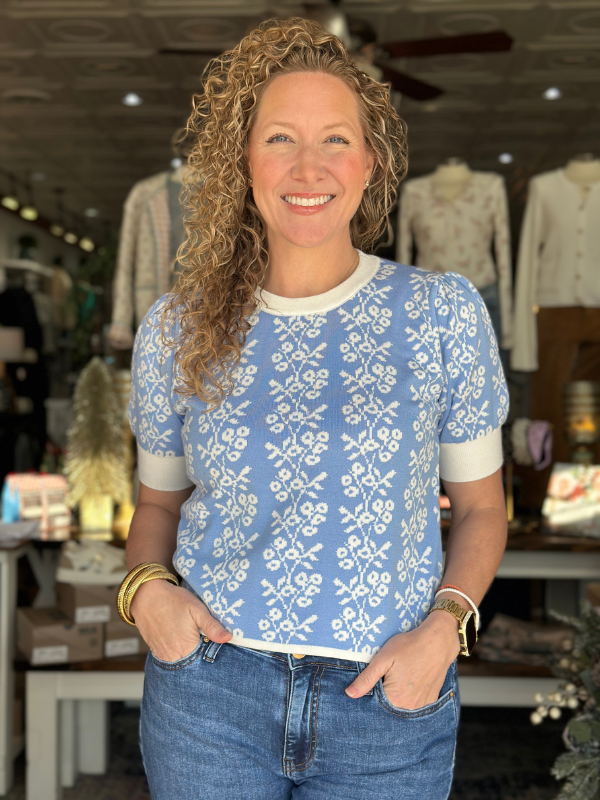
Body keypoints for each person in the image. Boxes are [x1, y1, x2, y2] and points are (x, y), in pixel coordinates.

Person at [123, 16, 509, 800]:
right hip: (209, 698)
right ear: (243, 160)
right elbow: (155, 507)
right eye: (279, 139)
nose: (309, 166)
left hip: (387, 702)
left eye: (335, 139)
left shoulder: (439, 312)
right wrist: (148, 598)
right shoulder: (177, 325)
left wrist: (444, 630)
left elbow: (481, 510)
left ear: (371, 162)